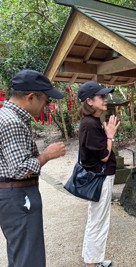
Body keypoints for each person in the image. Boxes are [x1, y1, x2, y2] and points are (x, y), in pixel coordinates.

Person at [0, 69, 66, 267]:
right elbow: (20, 169)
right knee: (29, 257)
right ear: (30, 97)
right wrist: (47, 155)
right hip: (18, 195)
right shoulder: (13, 122)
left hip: (14, 195)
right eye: (46, 100)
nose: (47, 106)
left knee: (21, 252)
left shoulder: (8, 116)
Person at [77, 81, 120, 267]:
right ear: (89, 101)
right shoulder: (89, 124)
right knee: (98, 222)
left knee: (97, 220)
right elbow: (103, 155)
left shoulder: (93, 122)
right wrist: (109, 135)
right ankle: (91, 263)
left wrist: (106, 132)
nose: (105, 99)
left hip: (98, 177)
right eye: (101, 96)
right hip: (99, 177)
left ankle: (94, 259)